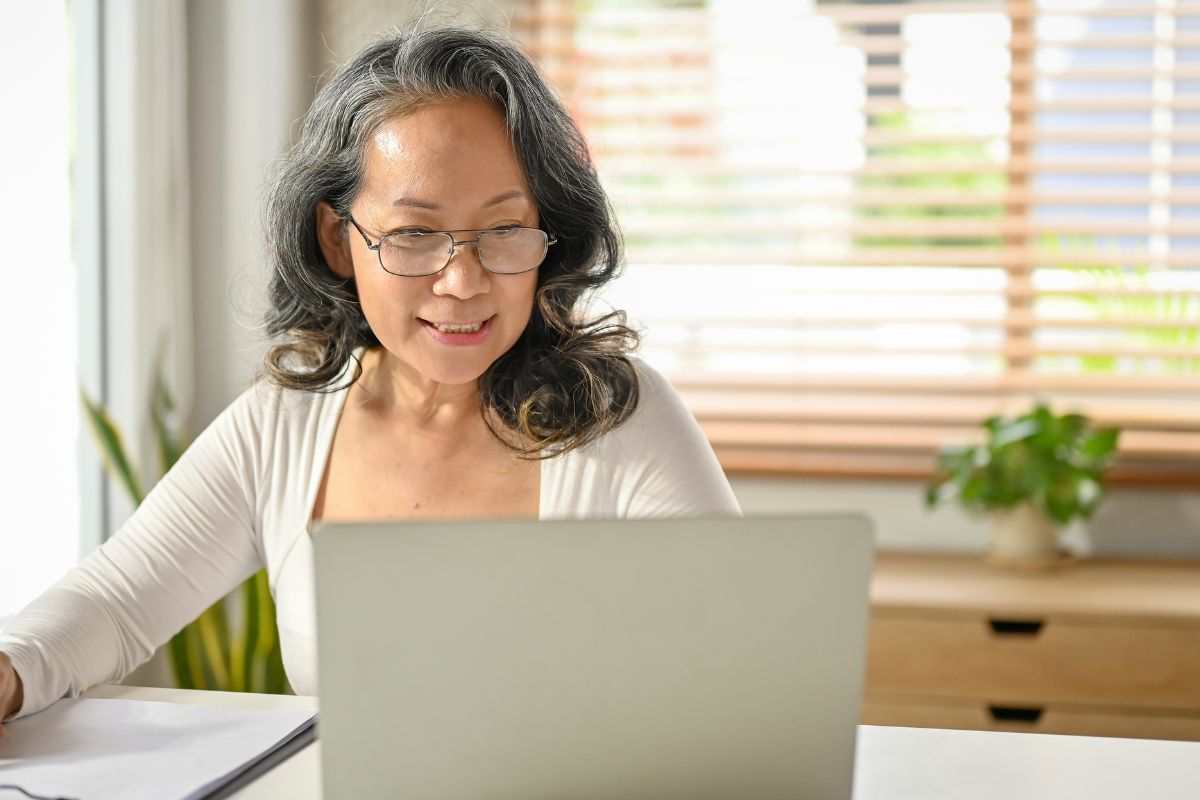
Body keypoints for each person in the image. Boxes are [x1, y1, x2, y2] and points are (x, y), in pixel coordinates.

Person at [0, 26, 740, 731]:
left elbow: (746, 666)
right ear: (337, 239)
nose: (462, 281)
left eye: (505, 229)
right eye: (415, 234)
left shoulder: (621, 418)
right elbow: (116, 602)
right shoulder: (283, 425)